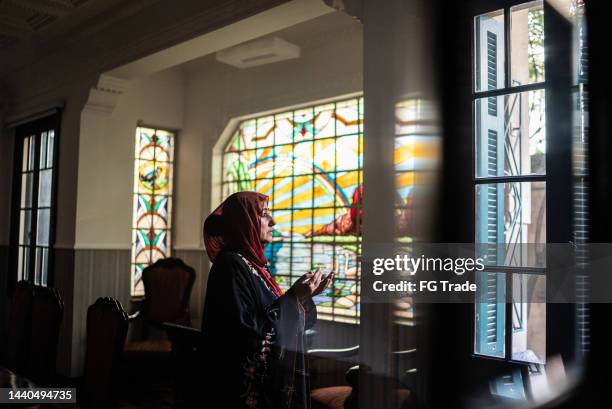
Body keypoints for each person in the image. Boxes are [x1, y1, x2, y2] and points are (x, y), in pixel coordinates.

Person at [201, 191, 334, 409]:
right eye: (264, 214)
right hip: (243, 392)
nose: (273, 221)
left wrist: (304, 297)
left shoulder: (256, 265)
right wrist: (293, 297)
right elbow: (244, 333)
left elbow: (276, 315)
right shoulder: (231, 265)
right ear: (245, 221)